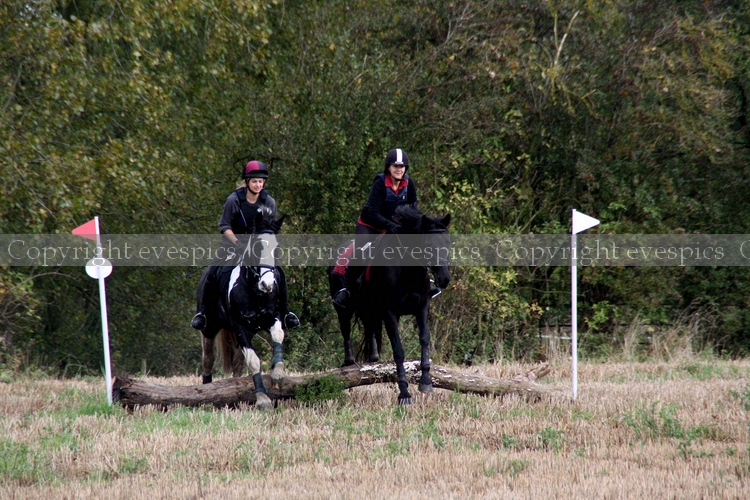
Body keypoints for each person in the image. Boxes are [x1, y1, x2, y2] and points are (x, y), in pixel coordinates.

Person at [191, 160, 300, 331]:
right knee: (212, 271)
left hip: (259, 248)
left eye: (261, 181)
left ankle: (286, 314)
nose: (258, 185)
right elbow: (224, 226)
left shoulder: (269, 201)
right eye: (254, 181)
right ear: (247, 182)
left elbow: (270, 229)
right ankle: (203, 314)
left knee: (279, 272)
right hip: (233, 244)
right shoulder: (234, 200)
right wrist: (238, 243)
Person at [332, 148, 440, 307]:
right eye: (395, 166)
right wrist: (392, 226)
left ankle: (425, 285)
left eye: (402, 166)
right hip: (370, 225)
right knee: (361, 250)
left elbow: (414, 212)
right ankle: (348, 289)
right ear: (388, 167)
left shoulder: (409, 184)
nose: (399, 169)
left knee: (417, 246)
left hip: (395, 227)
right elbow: (373, 213)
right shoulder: (380, 183)